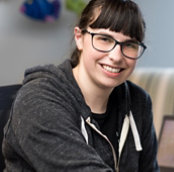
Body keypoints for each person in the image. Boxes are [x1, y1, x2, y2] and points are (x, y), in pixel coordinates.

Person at [2, 0, 159, 171]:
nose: (116, 56)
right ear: (79, 38)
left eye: (129, 45)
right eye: (104, 39)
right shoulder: (36, 99)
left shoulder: (139, 102)